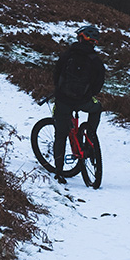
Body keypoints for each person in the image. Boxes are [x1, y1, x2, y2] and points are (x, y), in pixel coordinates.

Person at [52, 24, 106, 183]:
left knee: (60, 135)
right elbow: (98, 84)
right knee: (97, 108)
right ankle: (90, 137)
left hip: (63, 100)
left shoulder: (67, 55)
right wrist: (87, 95)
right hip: (84, 101)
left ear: (81, 37)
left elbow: (56, 74)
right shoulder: (96, 61)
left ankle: (59, 172)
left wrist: (59, 91)